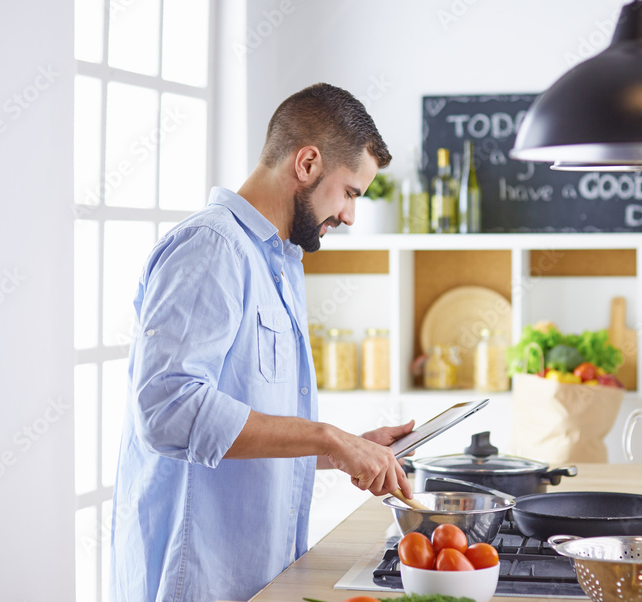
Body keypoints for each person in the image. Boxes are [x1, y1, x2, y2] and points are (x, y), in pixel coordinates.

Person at [109, 83, 414, 602]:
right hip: (196, 580)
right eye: (350, 193)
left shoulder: (277, 262)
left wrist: (346, 448)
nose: (348, 216)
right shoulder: (212, 247)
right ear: (308, 163)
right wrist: (326, 439)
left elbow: (245, 424)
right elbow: (168, 410)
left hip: (253, 578)